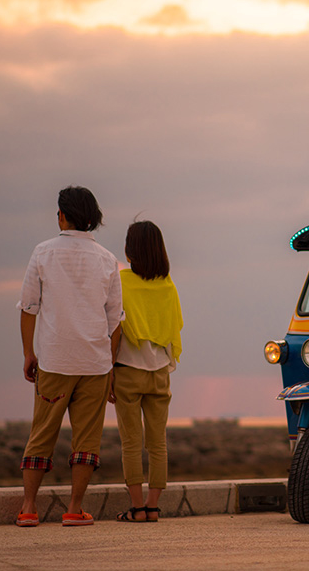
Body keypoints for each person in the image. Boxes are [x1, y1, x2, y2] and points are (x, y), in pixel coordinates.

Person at [15, 186, 123, 527]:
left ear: (62, 215)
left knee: (42, 432)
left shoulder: (42, 253)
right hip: (95, 363)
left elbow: (29, 308)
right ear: (93, 219)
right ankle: (75, 509)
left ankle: (29, 508)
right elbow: (115, 321)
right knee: (87, 439)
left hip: (54, 360)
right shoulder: (107, 259)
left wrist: (29, 354)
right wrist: (111, 366)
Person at [108, 220, 183, 522]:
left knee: (131, 442)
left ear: (129, 250)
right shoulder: (168, 284)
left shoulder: (121, 281)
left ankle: (137, 508)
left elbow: (115, 328)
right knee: (158, 442)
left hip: (127, 370)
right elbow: (173, 328)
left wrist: (108, 372)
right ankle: (153, 507)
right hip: (160, 372)